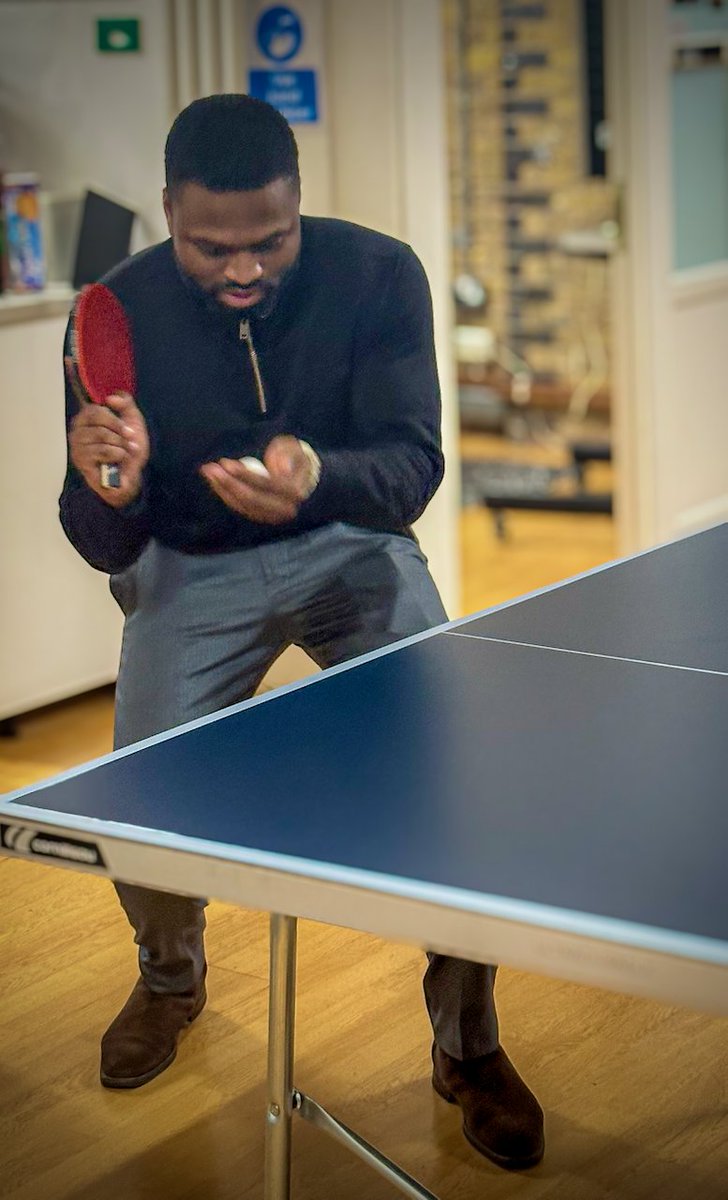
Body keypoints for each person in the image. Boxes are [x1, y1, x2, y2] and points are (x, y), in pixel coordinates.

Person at [59, 93, 544, 1170]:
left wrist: (320, 473)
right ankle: (170, 979)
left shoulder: (376, 274)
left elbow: (413, 464)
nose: (241, 270)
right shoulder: (115, 310)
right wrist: (114, 482)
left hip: (344, 549)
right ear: (169, 212)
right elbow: (96, 535)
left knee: (451, 778)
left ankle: (467, 1045)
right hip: (189, 568)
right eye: (208, 246)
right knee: (141, 804)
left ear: (299, 206)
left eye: (267, 241)